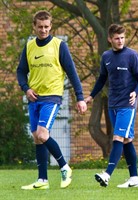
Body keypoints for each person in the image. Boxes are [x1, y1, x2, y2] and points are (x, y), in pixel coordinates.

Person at [17, 10, 87, 190]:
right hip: (34, 98)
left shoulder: (59, 45)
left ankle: (64, 167)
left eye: (46, 27)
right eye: (40, 27)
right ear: (34, 26)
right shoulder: (29, 46)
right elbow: (21, 71)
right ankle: (42, 180)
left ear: (51, 26)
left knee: (42, 134)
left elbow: (72, 72)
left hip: (52, 97)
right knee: (36, 138)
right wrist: (26, 89)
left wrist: (80, 98)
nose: (43, 30)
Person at [85, 24, 138, 188]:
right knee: (127, 140)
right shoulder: (106, 56)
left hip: (128, 104)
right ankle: (134, 178)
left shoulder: (132, 55)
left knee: (117, 137)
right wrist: (90, 96)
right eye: (117, 38)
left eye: (123, 38)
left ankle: (107, 174)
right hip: (113, 104)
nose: (120, 41)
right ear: (110, 39)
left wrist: (135, 93)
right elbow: (102, 79)